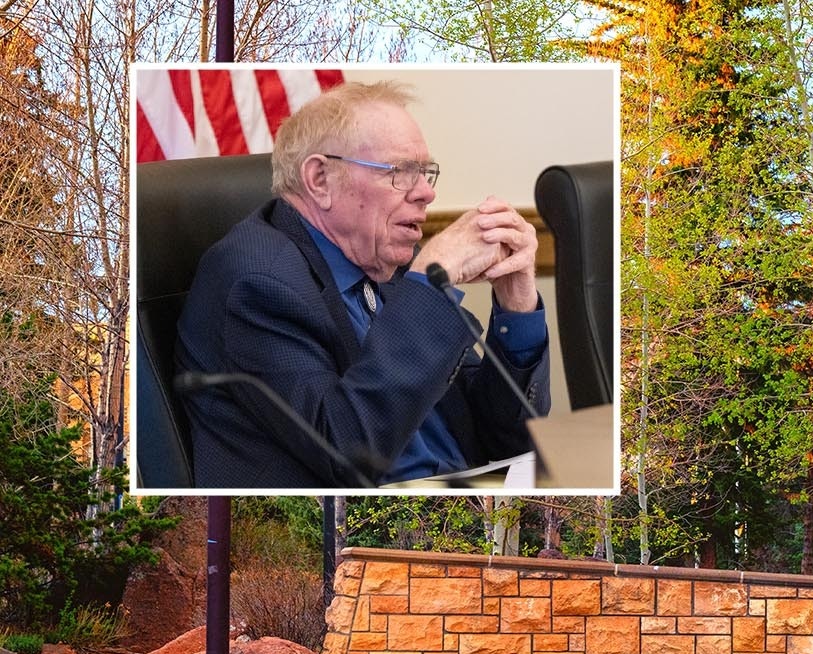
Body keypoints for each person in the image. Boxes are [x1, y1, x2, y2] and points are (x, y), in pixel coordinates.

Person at [176, 81, 551, 488]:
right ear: (320, 179)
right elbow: (349, 450)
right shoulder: (256, 284)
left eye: (425, 172)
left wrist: (517, 304)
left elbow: (509, 439)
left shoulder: (386, 260)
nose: (427, 192)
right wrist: (432, 279)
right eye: (400, 172)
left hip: (469, 501)